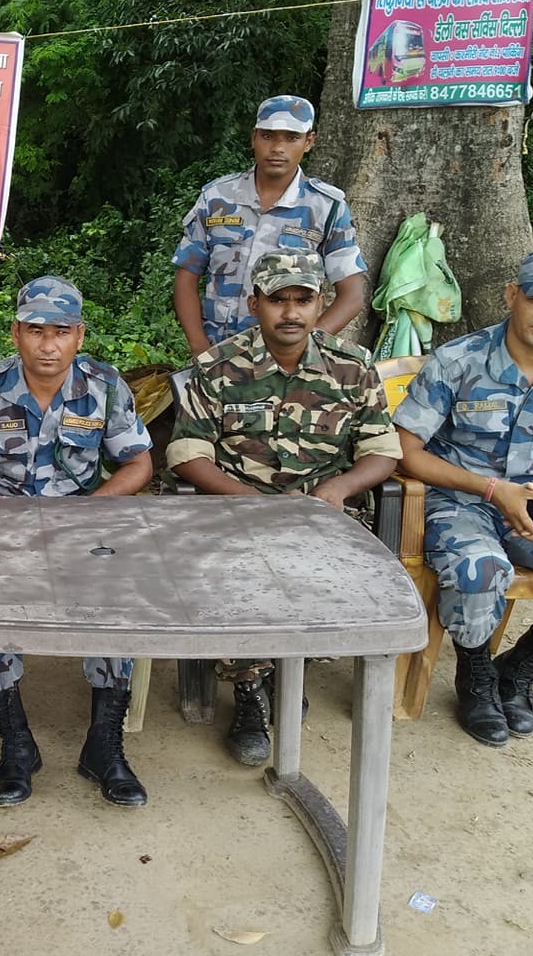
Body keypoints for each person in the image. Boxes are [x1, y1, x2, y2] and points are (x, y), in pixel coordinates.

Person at [167, 251, 401, 765]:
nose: (290, 311)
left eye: (303, 299)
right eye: (277, 299)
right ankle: (250, 691)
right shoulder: (217, 367)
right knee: (237, 575)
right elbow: (187, 454)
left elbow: (382, 450)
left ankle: (291, 668)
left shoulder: (352, 366)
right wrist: (255, 504)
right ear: (255, 304)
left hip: (324, 512)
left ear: (321, 305)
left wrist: (337, 491)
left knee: (328, 574)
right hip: (236, 508)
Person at [0, 277, 154, 808]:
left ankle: (103, 745)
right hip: (2, 528)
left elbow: (139, 462)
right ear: (16, 333)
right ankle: (16, 743)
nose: (47, 345)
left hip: (82, 527)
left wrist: (89, 510)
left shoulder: (105, 385)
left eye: (60, 332)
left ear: (79, 335)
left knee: (115, 596)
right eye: (35, 331)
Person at [393, 247, 533, 747]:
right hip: (460, 501)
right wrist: (493, 489)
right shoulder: (459, 360)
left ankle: (516, 670)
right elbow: (405, 452)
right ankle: (474, 674)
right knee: (479, 571)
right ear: (513, 296)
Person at [172, 95, 368, 356]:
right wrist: (199, 347)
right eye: (268, 136)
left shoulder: (326, 207)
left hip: (286, 363)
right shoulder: (217, 198)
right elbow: (187, 275)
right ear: (254, 137)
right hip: (217, 353)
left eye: (291, 137)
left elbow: (352, 294)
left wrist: (307, 346)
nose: (277, 148)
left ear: (309, 142)